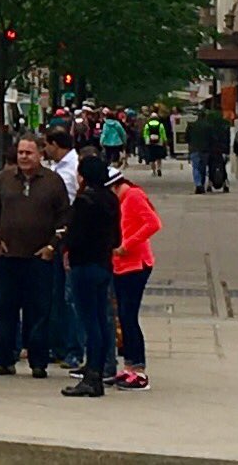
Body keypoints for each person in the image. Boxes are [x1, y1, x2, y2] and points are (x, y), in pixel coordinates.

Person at [0, 134, 70, 378]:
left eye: (29, 153)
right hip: (7, 257)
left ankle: (38, 362)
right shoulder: (4, 179)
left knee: (39, 312)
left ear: (40, 154)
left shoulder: (53, 182)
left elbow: (64, 219)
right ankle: (3, 360)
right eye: (21, 152)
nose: (24, 157)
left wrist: (52, 247)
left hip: (39, 259)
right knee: (4, 310)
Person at [60, 155, 121, 398]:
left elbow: (76, 236)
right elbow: (117, 237)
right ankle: (101, 367)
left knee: (89, 321)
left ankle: (92, 374)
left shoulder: (84, 201)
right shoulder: (111, 199)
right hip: (104, 263)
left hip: (84, 264)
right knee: (101, 319)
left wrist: (66, 241)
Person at [109, 167, 162, 391]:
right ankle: (129, 366)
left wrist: (126, 245)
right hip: (121, 265)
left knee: (129, 316)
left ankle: (139, 370)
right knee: (123, 316)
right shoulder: (120, 200)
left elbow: (153, 223)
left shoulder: (133, 195)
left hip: (136, 263)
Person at [43, 127, 84, 370]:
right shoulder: (60, 167)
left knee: (69, 297)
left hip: (67, 238)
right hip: (59, 237)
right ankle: (58, 345)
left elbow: (68, 206)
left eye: (46, 145)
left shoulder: (69, 170)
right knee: (57, 294)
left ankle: (73, 349)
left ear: (55, 144)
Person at [186, 114, 209, 194]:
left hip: (194, 149)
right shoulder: (208, 127)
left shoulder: (191, 126)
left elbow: (187, 138)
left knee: (196, 167)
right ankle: (202, 183)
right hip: (205, 150)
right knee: (203, 168)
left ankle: (198, 184)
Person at [142, 112, 167, 177]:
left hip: (150, 143)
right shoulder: (160, 125)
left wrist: (146, 140)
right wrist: (164, 140)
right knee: (159, 157)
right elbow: (163, 134)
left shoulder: (147, 125)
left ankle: (153, 171)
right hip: (159, 143)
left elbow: (145, 134)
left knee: (152, 158)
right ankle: (159, 169)